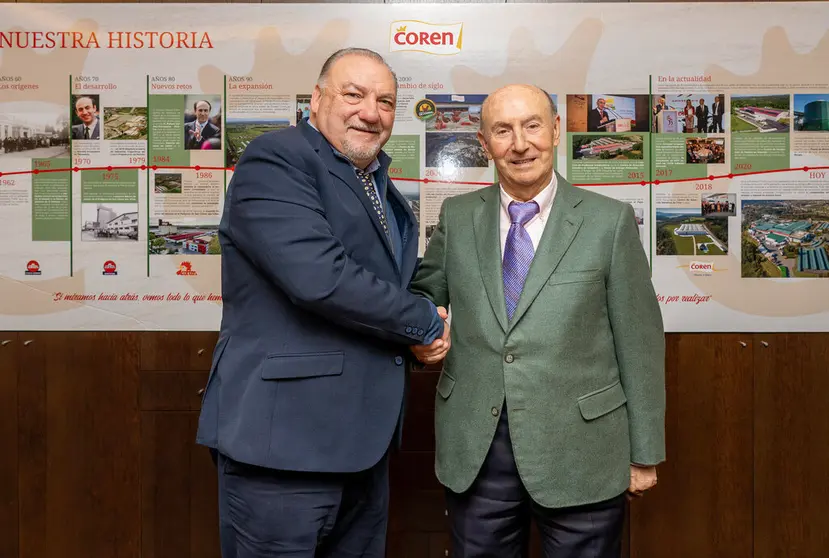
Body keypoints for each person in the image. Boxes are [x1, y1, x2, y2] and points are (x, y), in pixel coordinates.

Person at [196, 47, 450, 557]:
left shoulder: (373, 180)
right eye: (353, 94)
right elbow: (319, 276)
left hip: (362, 449)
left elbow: (384, 282)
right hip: (285, 448)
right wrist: (424, 321)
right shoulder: (276, 157)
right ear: (316, 98)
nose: (371, 111)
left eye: (385, 101)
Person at [410, 84, 665, 558]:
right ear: (485, 144)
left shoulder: (609, 222)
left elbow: (640, 342)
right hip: (478, 447)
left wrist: (644, 453)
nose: (520, 143)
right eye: (503, 131)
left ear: (555, 129)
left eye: (531, 126)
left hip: (583, 448)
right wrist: (424, 332)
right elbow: (426, 296)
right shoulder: (458, 215)